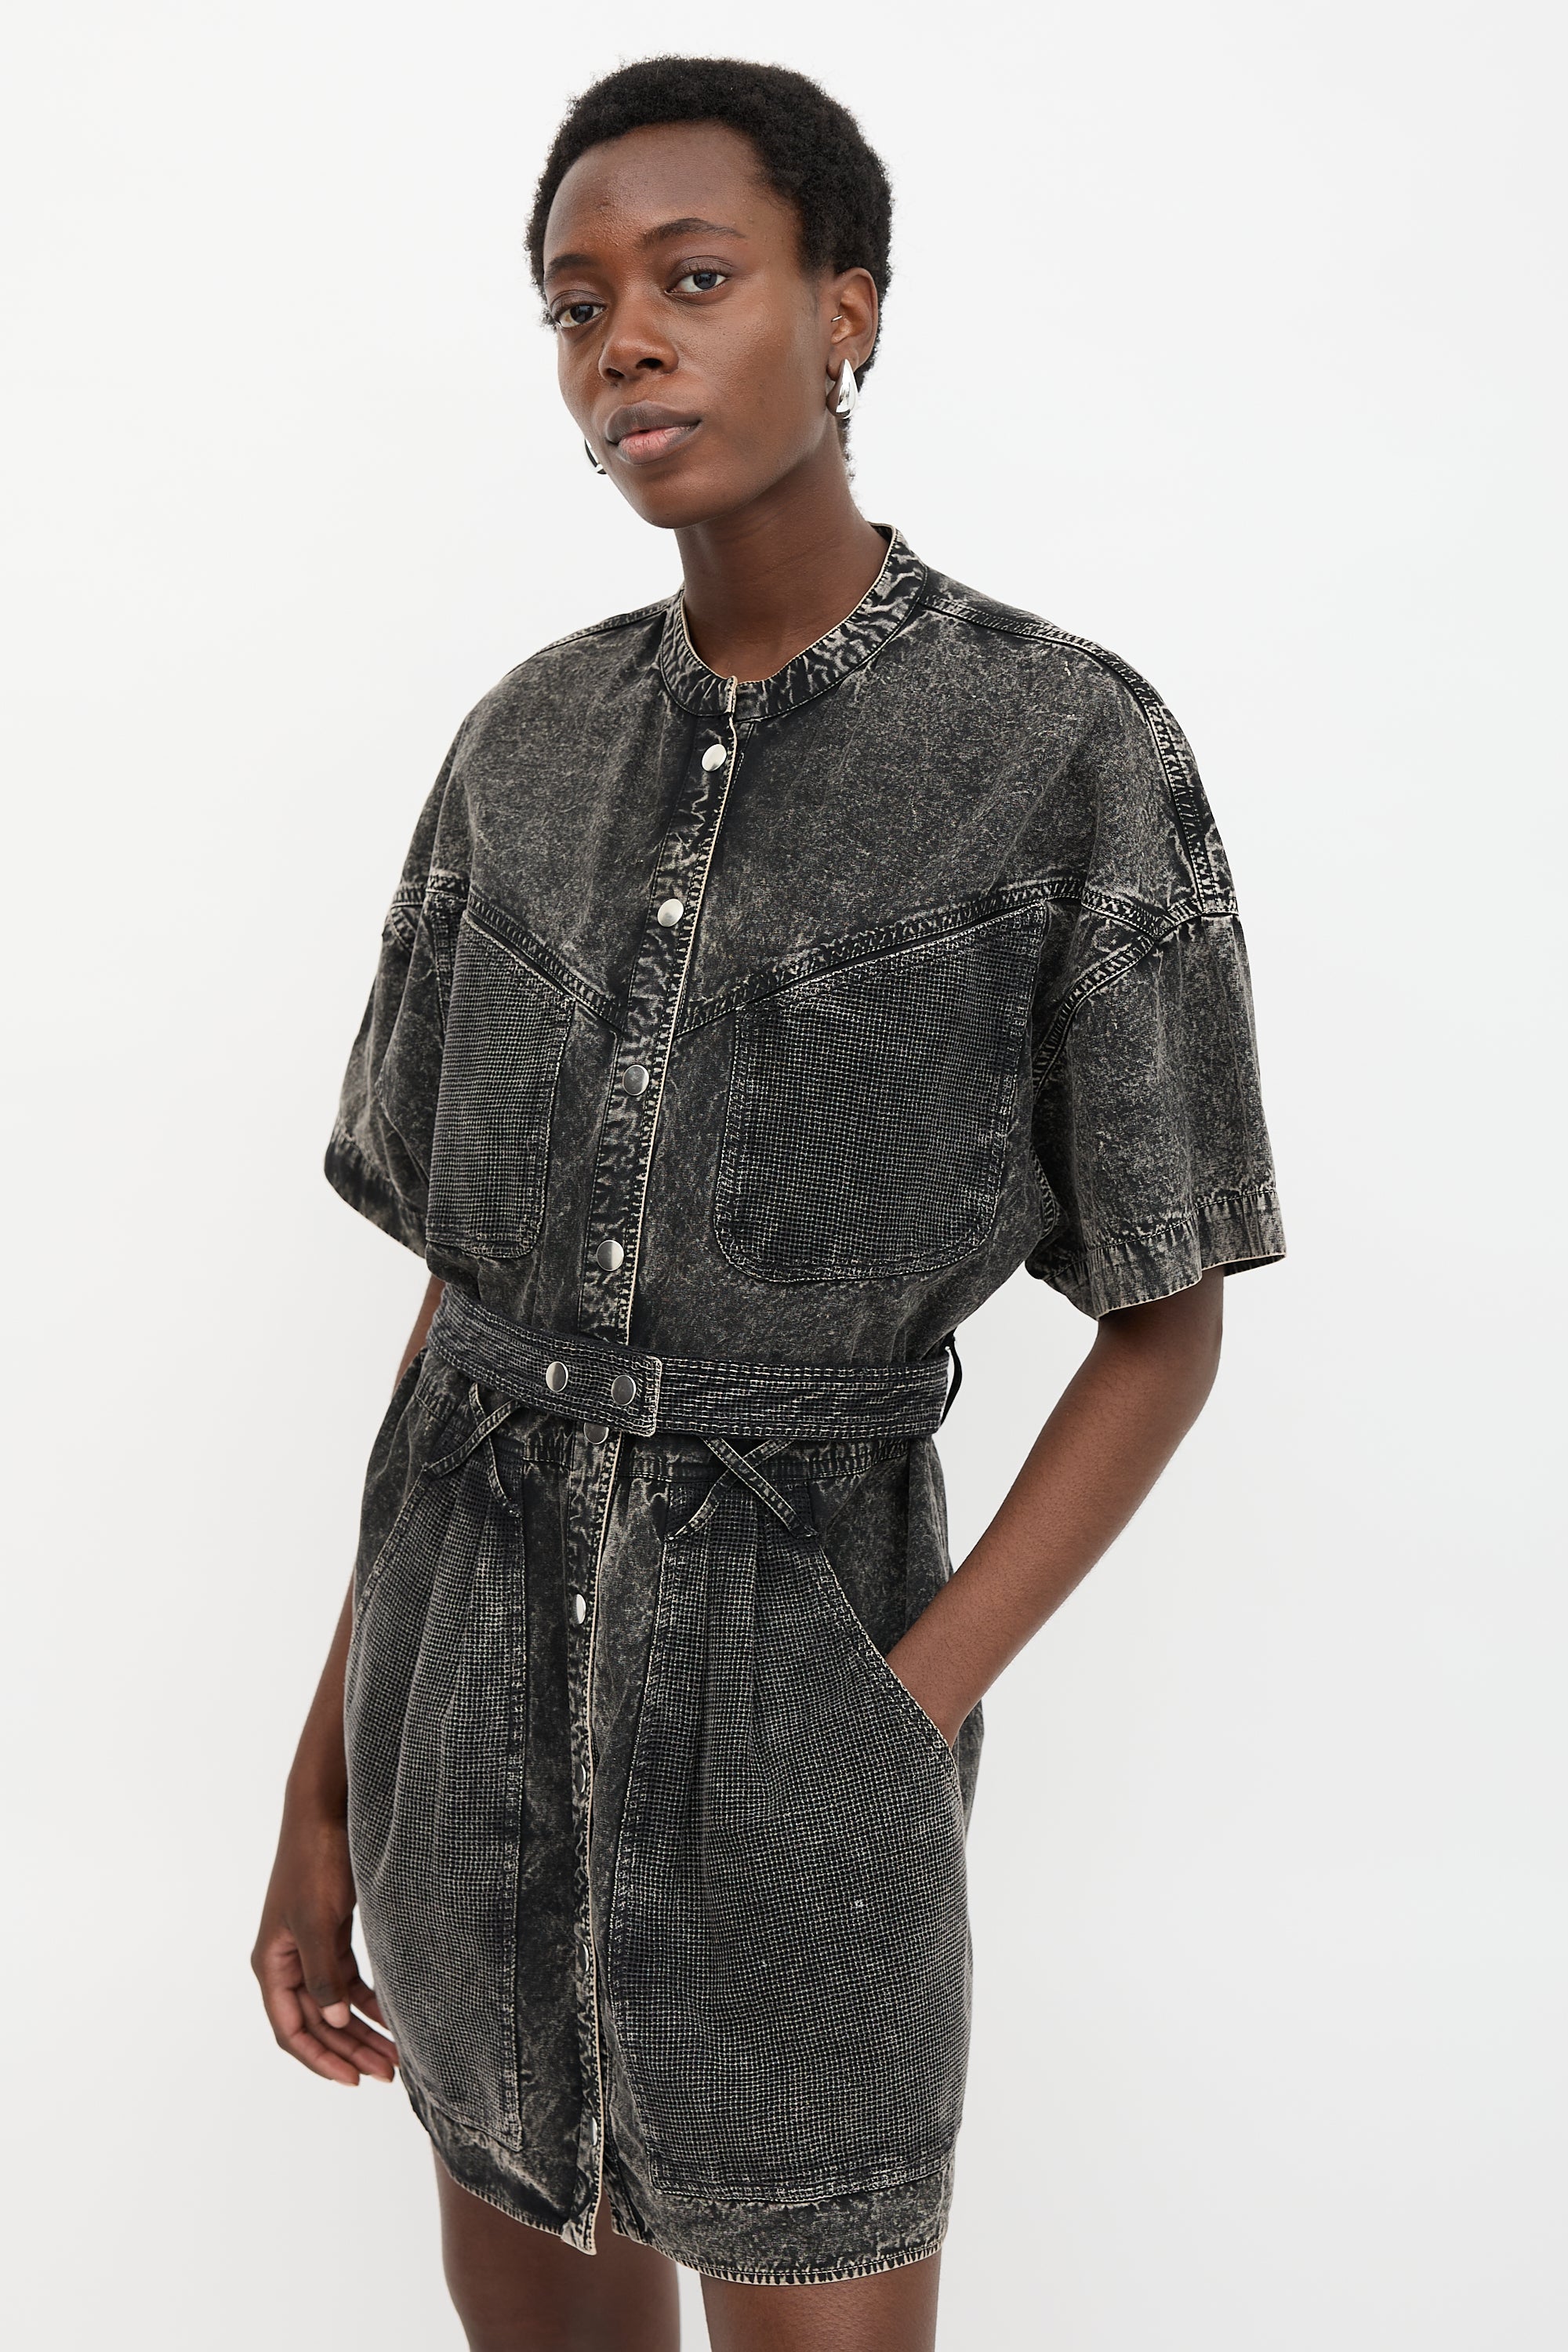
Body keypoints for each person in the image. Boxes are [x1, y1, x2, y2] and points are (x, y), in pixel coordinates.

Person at [252, 54, 1285, 2352]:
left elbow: (1169, 1311)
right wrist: (321, 1783)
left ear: (849, 311)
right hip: (459, 1718)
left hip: (803, 1717)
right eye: (575, 305)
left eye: (694, 279)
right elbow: (454, 1310)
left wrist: (900, 1716)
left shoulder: (1062, 748)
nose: (623, 341)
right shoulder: (522, 748)